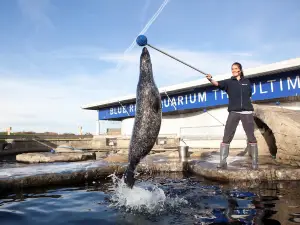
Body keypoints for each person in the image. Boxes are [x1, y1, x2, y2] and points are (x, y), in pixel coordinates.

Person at [206, 62, 258, 170]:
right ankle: (223, 162)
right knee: (227, 136)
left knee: (251, 137)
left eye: (235, 68)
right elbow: (217, 84)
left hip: (247, 112)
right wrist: (210, 79)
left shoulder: (246, 82)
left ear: (240, 70)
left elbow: (249, 94)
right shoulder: (229, 82)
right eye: (232, 69)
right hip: (234, 112)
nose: (233, 70)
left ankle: (255, 163)